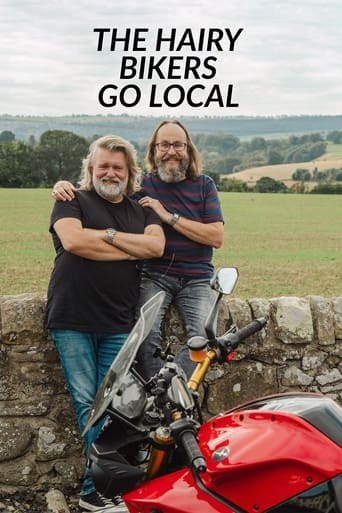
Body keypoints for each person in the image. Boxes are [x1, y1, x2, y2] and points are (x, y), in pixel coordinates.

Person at [46, 134, 165, 513]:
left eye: (118, 167)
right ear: (91, 170)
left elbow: (155, 248)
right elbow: (74, 242)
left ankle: (95, 490)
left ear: (129, 172)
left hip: (118, 321)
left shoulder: (142, 210)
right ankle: (95, 491)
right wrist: (125, 248)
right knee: (88, 404)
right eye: (103, 166)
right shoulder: (71, 200)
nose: (110, 172)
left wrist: (106, 236)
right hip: (72, 318)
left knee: (113, 407)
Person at [52, 120, 224, 380]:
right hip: (153, 275)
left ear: (188, 149)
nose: (171, 151)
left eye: (178, 145)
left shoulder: (204, 185)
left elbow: (216, 237)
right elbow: (106, 190)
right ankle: (161, 395)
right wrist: (63, 185)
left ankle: (168, 388)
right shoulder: (141, 185)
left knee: (204, 336)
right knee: (142, 336)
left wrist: (167, 216)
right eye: (163, 145)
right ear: (154, 151)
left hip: (197, 278)